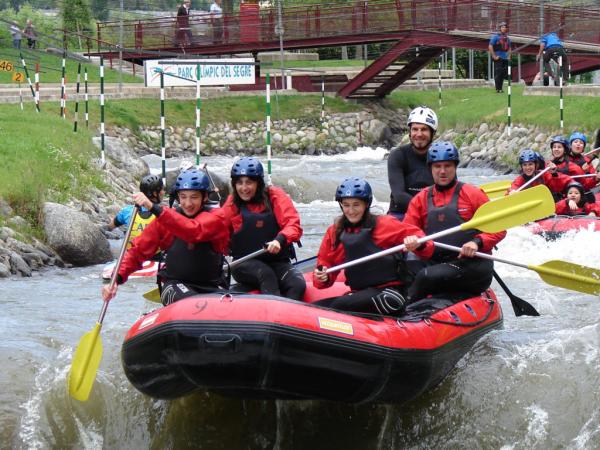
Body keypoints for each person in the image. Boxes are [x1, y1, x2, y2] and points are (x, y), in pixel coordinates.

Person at [102, 169, 229, 305]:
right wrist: (116, 278)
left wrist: (153, 208)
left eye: (194, 197)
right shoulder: (164, 222)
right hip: (176, 285)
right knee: (194, 303)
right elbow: (137, 251)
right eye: (183, 196)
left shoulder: (216, 217)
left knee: (222, 306)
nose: (187, 203)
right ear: (178, 196)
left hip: (211, 286)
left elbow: (193, 231)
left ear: (204, 197)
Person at [313, 178, 434, 316]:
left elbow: (426, 244)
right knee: (313, 309)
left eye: (356, 205)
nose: (351, 211)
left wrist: (417, 242)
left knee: (338, 306)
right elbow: (324, 267)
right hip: (359, 294)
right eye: (346, 205)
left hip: (390, 295)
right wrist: (322, 276)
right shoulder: (335, 232)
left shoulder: (385, 224)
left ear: (366, 204)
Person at [402, 141, 506, 302]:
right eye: (437, 166)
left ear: (455, 167)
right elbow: (409, 231)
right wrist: (413, 241)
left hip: (472, 264)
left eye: (447, 166)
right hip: (436, 261)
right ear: (430, 168)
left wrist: (477, 242)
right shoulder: (420, 199)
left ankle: (404, 312)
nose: (442, 171)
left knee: (426, 276)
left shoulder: (473, 194)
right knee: (400, 267)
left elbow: (499, 228)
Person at [223, 156, 306, 300]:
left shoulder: (275, 195)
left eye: (249, 182)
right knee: (265, 274)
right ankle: (276, 316)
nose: (244, 188)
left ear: (258, 182)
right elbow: (217, 229)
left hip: (277, 261)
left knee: (297, 284)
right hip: (243, 263)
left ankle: (288, 317)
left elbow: (293, 223)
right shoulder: (232, 203)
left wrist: (279, 240)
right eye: (239, 183)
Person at [387, 106, 438, 219]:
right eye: (415, 129)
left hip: (433, 215)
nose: (419, 134)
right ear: (410, 132)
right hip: (401, 213)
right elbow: (399, 196)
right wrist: (429, 210)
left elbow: (452, 191)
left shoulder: (441, 156)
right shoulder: (398, 155)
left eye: (424, 129)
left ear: (432, 133)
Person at [107, 174, 165, 253]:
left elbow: (109, 227)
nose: (164, 192)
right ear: (155, 193)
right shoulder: (163, 214)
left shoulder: (127, 211)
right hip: (155, 259)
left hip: (131, 258)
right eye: (162, 189)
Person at [508, 149, 572, 199]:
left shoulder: (543, 174)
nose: (528, 168)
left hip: (549, 205)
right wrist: (512, 192)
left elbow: (558, 186)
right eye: (525, 165)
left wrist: (554, 174)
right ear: (522, 166)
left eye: (530, 164)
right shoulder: (520, 180)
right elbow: (513, 188)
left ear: (536, 165)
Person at [488, 21, 511, 93]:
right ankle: (498, 89)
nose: (504, 28)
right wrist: (494, 56)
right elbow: (490, 46)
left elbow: (509, 48)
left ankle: (500, 88)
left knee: (503, 74)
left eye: (505, 27)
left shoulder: (508, 38)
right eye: (502, 27)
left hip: (505, 58)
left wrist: (509, 56)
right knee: (498, 73)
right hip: (498, 58)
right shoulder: (495, 37)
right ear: (500, 28)